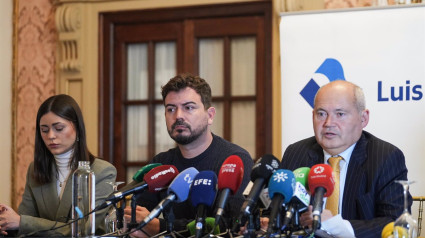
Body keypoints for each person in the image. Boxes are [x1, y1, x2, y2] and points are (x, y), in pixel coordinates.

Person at [124, 73, 254, 237]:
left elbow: (230, 224)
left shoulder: (235, 161)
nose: (178, 116)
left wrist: (160, 227)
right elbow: (140, 218)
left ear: (210, 115)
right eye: (171, 109)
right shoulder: (161, 164)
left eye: (189, 107)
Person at [280, 80, 411, 237]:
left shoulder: (385, 157)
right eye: (321, 114)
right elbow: (276, 211)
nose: (329, 123)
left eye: (340, 114)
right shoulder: (296, 153)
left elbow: (396, 223)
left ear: (363, 118)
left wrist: (335, 225)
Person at [0, 94, 117, 236]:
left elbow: (82, 230)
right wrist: (7, 225)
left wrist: (22, 223)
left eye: (59, 128)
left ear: (78, 129)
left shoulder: (102, 171)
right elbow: (24, 228)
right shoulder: (35, 169)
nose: (51, 136)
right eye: (44, 130)